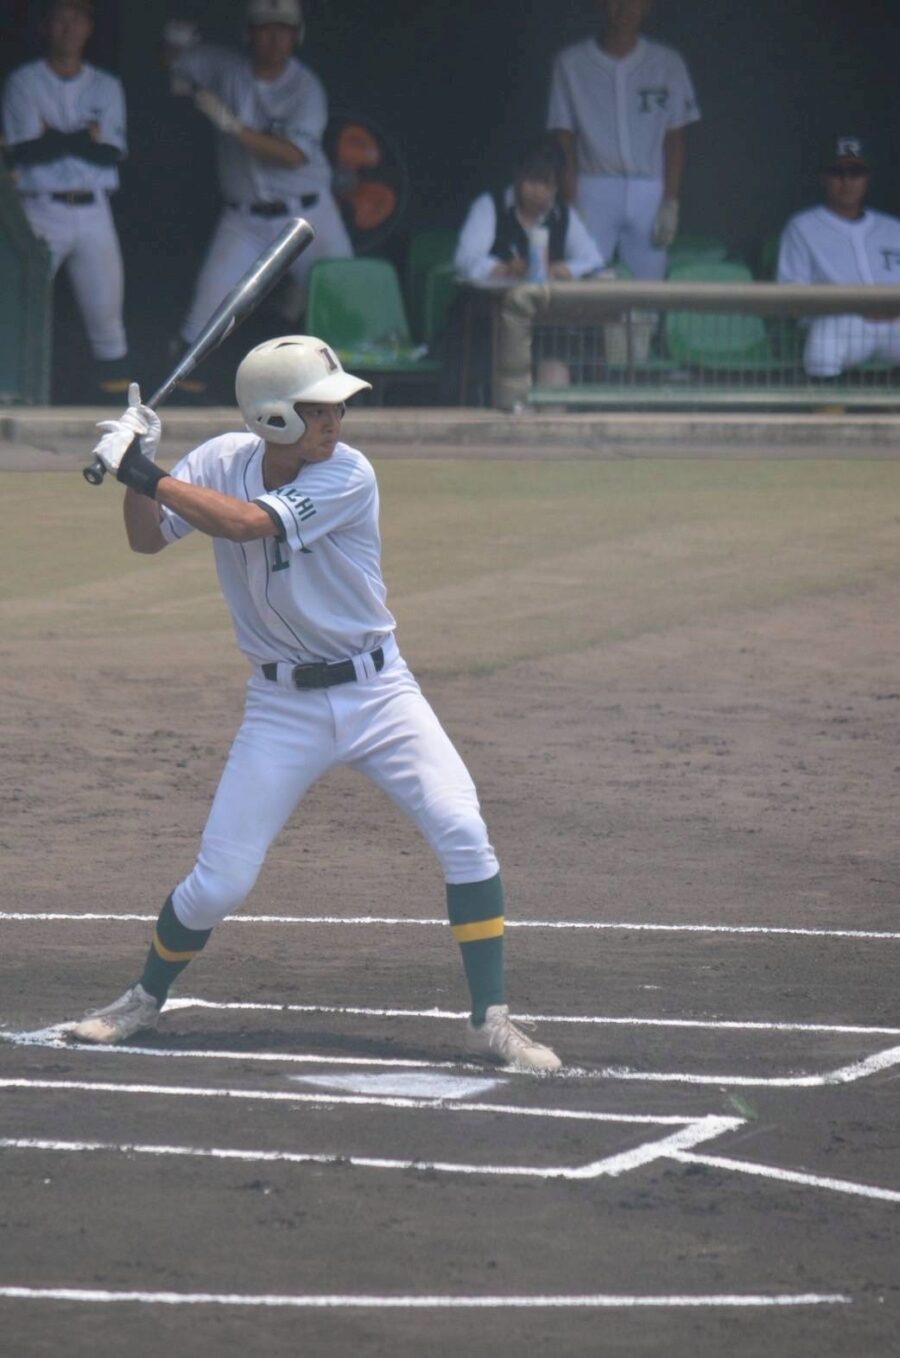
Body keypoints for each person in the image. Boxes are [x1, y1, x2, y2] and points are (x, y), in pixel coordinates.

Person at [67, 334, 562, 1074]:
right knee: (220, 882)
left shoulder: (349, 474)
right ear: (273, 417)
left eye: (337, 407)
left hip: (379, 694)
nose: (336, 419)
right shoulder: (217, 461)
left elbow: (245, 523)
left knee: (464, 831)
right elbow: (146, 539)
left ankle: (492, 1021)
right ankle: (141, 1000)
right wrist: (139, 470)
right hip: (281, 707)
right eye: (319, 408)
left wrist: (142, 469)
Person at [163, 0, 352, 381]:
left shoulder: (305, 87)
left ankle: (351, 396)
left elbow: (293, 155)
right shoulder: (227, 68)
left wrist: (232, 125)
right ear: (249, 33)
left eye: (284, 29)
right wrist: (173, 43)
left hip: (310, 216)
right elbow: (175, 63)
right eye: (265, 28)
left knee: (347, 305)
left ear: (297, 36)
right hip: (244, 219)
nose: (274, 38)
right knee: (204, 319)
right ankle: (178, 394)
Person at [2, 0, 130, 399]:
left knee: (107, 323)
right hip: (40, 209)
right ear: (47, 26)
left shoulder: (105, 85)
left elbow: (109, 152)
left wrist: (53, 137)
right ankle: (12, 400)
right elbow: (25, 151)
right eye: (60, 19)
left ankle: (121, 416)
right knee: (16, 308)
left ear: (89, 27)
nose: (68, 28)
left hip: (94, 211)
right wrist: (82, 137)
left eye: (77, 19)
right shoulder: (25, 81)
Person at [547, 0, 700, 279]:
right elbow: (564, 139)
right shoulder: (570, 63)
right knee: (583, 280)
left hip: (649, 186)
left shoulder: (668, 62)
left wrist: (670, 200)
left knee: (650, 287)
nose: (625, 8)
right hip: (593, 185)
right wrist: (571, 201)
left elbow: (675, 137)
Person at [777, 136, 900, 378]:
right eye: (837, 172)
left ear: (867, 178)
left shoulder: (892, 228)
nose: (847, 181)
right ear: (823, 178)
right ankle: (825, 403)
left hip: (895, 322)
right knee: (825, 338)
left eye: (855, 173)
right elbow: (792, 294)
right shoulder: (802, 227)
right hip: (842, 321)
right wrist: (851, 307)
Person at [454, 137, 604, 285]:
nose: (538, 191)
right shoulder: (489, 206)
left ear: (556, 188)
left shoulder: (563, 214)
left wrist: (563, 270)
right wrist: (504, 269)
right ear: (518, 175)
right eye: (532, 181)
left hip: (547, 300)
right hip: (495, 298)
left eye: (547, 184)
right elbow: (465, 259)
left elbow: (594, 261)